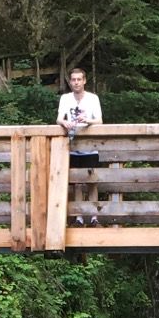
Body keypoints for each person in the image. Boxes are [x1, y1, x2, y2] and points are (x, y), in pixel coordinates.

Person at [56, 67, 102, 226]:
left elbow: (99, 120)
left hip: (90, 147)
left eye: (79, 79)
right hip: (73, 146)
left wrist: (87, 120)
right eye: (73, 80)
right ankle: (79, 217)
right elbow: (59, 119)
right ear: (70, 82)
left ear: (84, 81)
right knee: (76, 183)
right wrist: (65, 122)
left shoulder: (92, 98)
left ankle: (94, 217)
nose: (76, 83)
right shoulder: (65, 98)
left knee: (92, 182)